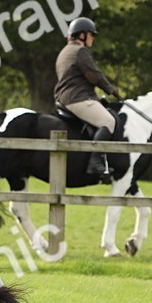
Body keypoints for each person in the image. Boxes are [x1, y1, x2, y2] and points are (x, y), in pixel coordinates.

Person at [54, 17, 121, 183]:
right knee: (108, 121)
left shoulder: (64, 52)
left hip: (66, 97)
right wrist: (111, 90)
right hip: (77, 98)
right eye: (91, 34)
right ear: (82, 35)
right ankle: (95, 162)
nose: (93, 38)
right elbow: (94, 75)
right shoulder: (80, 52)